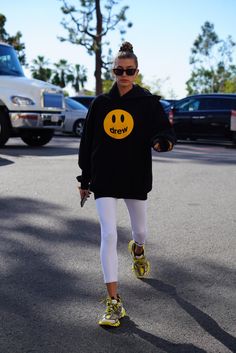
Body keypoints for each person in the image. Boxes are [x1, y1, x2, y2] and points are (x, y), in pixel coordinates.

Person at [77, 42, 176, 327]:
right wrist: (84, 179)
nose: (124, 75)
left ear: (136, 72)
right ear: (113, 71)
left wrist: (163, 141)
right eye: (119, 70)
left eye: (129, 71)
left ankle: (138, 248)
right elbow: (87, 143)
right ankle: (113, 302)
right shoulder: (100, 104)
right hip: (104, 177)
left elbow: (164, 130)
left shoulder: (147, 102)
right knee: (108, 235)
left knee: (140, 230)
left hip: (134, 175)